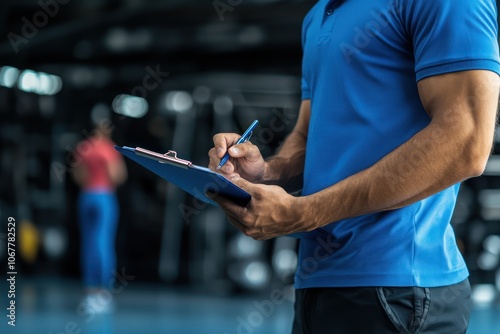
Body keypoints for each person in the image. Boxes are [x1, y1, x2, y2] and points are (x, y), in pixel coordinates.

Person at [207, 0, 500, 333]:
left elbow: (466, 141)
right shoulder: (317, 15)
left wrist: (302, 213)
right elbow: (309, 133)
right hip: (317, 282)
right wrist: (267, 172)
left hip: (400, 288)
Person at [72, 119, 127, 313]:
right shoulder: (108, 149)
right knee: (103, 241)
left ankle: (89, 291)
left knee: (88, 242)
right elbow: (117, 176)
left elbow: (78, 175)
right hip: (104, 198)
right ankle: (102, 291)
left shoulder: (84, 147)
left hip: (87, 196)